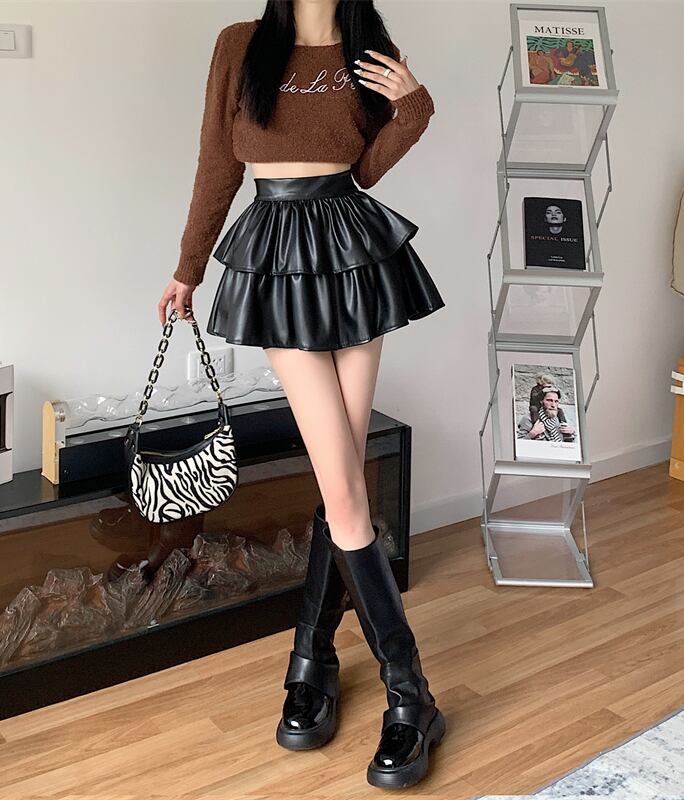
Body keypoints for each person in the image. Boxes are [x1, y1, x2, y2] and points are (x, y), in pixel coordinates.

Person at [157, 1, 446, 790]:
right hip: (277, 253)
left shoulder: (369, 46)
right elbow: (217, 162)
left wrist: (413, 107)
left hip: (354, 251)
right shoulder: (240, 46)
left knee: (338, 475)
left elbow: (366, 169)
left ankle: (313, 660)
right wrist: (188, 267)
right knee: (345, 489)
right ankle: (410, 692)